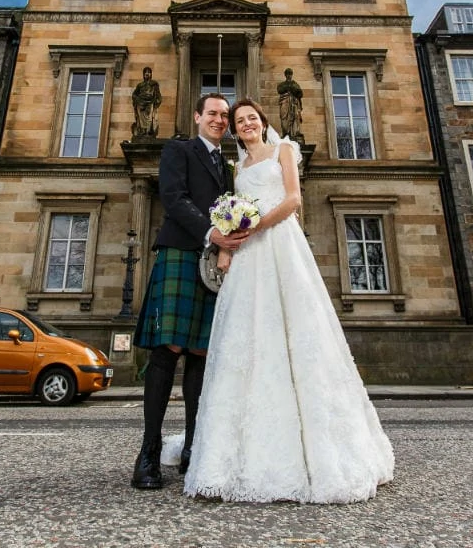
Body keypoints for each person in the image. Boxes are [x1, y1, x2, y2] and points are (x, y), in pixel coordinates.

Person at [181, 98, 394, 503]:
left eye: (251, 118)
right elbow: (228, 213)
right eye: (238, 120)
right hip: (249, 257)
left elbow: (294, 200)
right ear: (234, 130)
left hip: (280, 243)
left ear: (263, 123)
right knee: (248, 338)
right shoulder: (236, 169)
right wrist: (228, 242)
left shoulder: (284, 151)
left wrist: (254, 224)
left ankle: (317, 452)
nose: (245, 124)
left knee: (298, 328)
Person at [130, 93, 247, 490]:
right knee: (169, 349)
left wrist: (228, 242)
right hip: (181, 251)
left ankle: (193, 449)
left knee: (201, 351)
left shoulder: (228, 166)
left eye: (224, 115)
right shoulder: (178, 150)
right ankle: (148, 453)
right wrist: (212, 233)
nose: (219, 119)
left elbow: (232, 208)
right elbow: (174, 199)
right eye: (212, 113)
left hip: (214, 263)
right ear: (198, 116)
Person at [131, 66, 162, 139]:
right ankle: (142, 131)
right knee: (141, 120)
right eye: (145, 72)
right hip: (141, 103)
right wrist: (137, 99)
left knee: (149, 118)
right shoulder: (140, 85)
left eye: (149, 72)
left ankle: (148, 132)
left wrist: (157, 101)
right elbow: (134, 94)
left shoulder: (154, 84)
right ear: (143, 74)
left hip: (150, 102)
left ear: (151, 74)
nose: (147, 74)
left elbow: (158, 95)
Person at [276, 68, 303, 142]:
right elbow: (279, 90)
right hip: (285, 102)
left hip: (294, 103)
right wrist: (289, 87)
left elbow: (300, 93)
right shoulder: (282, 84)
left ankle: (295, 133)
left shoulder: (295, 84)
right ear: (285, 75)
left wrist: (293, 89)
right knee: (284, 117)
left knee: (295, 116)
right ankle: (286, 132)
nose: (289, 75)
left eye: (290, 74)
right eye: (287, 74)